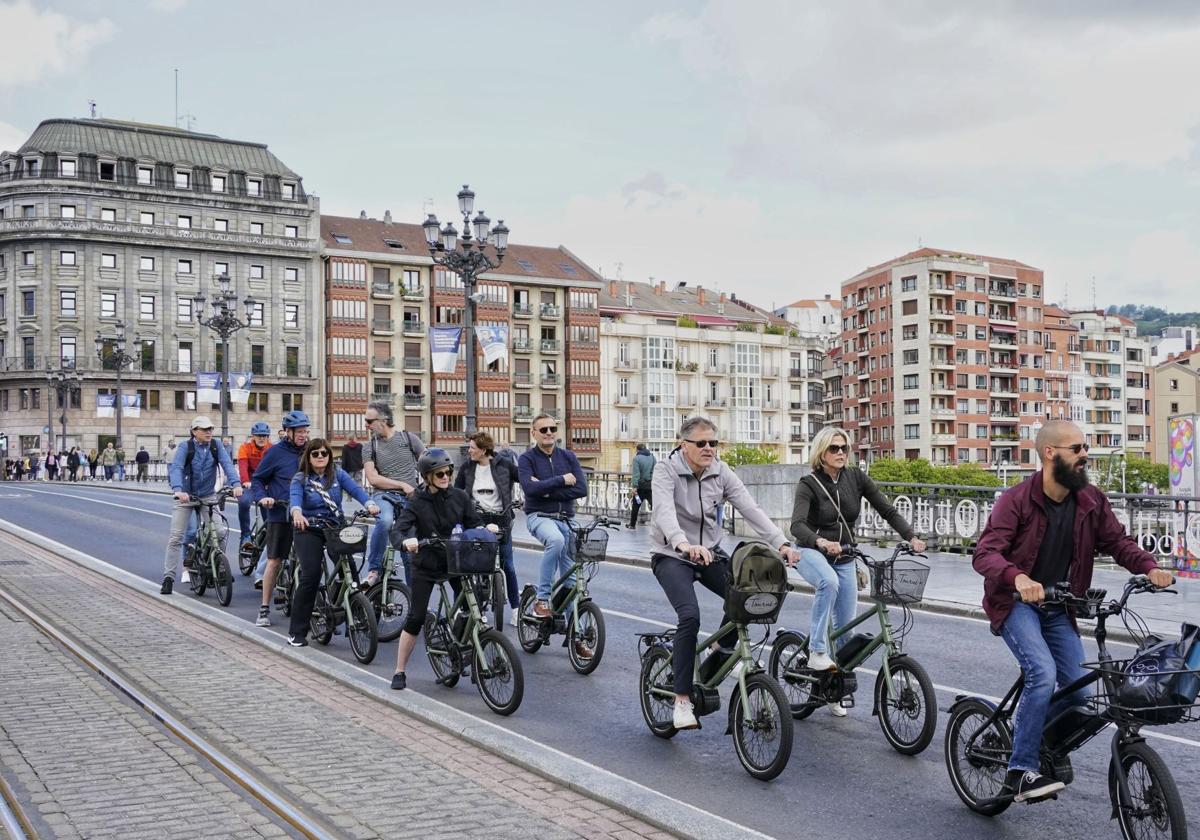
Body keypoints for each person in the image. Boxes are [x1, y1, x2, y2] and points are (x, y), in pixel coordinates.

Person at [973, 419, 1174, 804]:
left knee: (1080, 694)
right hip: (1014, 604)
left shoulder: (1090, 499)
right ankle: (1019, 771)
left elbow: (1117, 541)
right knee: (1042, 674)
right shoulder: (1015, 501)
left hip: (1060, 607)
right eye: (1078, 448)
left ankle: (1036, 738)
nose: (1086, 455)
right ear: (1051, 453)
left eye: (1086, 448)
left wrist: (1149, 567)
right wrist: (1017, 579)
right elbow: (985, 553)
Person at [651, 416, 802, 730]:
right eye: (701, 443)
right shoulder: (665, 470)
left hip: (710, 553)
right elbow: (664, 512)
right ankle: (681, 700)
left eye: (713, 443)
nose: (709, 449)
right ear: (683, 444)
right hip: (672, 555)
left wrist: (782, 543)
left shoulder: (720, 472)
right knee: (690, 616)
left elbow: (750, 508)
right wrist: (682, 545)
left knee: (750, 597)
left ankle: (721, 651)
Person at [789, 427, 926, 696]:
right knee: (827, 583)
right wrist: (821, 542)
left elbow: (886, 509)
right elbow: (797, 525)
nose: (840, 453)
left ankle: (833, 688)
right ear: (822, 452)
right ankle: (817, 650)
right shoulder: (809, 484)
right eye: (834, 448)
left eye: (844, 448)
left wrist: (911, 536)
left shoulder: (856, 478)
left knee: (845, 628)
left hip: (845, 556)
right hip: (811, 550)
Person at [389, 448, 498, 689]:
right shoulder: (416, 501)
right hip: (426, 564)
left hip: (456, 562)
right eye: (439, 474)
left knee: (474, 605)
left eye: (448, 471)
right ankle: (399, 671)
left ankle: (456, 643)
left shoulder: (459, 497)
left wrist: (485, 528)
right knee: (416, 616)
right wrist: (405, 542)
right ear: (428, 477)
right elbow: (397, 530)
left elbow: (474, 523)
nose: (445, 477)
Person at [286, 438, 379, 647]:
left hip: (334, 526)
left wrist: (370, 503)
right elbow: (295, 499)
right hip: (308, 528)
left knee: (351, 571)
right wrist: (297, 513)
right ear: (308, 457)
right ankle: (297, 632)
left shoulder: (337, 475)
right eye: (315, 454)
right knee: (311, 575)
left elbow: (356, 490)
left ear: (329, 456)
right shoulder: (301, 479)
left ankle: (355, 616)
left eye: (324, 453)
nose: (320, 457)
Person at [518, 413, 587, 619]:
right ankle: (542, 599)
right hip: (539, 516)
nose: (549, 433)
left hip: (566, 518)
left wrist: (545, 488)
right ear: (534, 433)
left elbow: (582, 489)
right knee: (555, 540)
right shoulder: (526, 459)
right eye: (543, 430)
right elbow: (529, 489)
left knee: (573, 581)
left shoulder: (569, 457)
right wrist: (561, 480)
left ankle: (576, 636)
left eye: (552, 429)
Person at [161, 416, 241, 594]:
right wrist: (178, 489)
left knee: (219, 531)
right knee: (177, 537)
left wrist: (236, 484)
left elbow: (227, 464)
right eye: (204, 429)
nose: (209, 432)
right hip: (186, 496)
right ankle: (168, 577)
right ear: (194, 431)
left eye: (211, 429)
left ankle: (218, 567)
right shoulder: (185, 447)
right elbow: (177, 468)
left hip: (208, 495)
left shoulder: (216, 445)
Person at [250, 411, 309, 626]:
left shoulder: (311, 452)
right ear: (288, 432)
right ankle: (264, 609)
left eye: (305, 431)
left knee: (311, 561)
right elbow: (258, 480)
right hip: (280, 512)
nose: (303, 435)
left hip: (305, 514)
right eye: (300, 431)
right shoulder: (275, 453)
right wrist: (263, 497)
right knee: (274, 560)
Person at [455, 431, 521, 626]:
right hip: (478, 520)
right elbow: (457, 493)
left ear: (483, 451)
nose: (469, 451)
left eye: (472, 448)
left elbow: (524, 478)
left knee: (507, 564)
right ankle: (478, 608)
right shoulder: (467, 468)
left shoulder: (504, 465)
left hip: (501, 519)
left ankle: (516, 610)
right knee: (479, 565)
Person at [363, 401, 424, 588]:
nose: (366, 425)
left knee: (410, 549)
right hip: (385, 496)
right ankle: (374, 570)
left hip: (411, 499)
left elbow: (428, 462)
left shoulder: (409, 439)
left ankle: (416, 606)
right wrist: (402, 485)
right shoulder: (369, 446)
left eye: (369, 420)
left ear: (384, 420)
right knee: (385, 521)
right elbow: (373, 478)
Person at [236, 423, 272, 547]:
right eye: (259, 436)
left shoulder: (272, 449)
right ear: (253, 436)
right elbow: (243, 466)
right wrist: (245, 481)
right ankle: (245, 535)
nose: (262, 438)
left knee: (269, 507)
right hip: (250, 484)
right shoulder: (245, 447)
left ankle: (269, 533)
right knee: (244, 502)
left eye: (264, 436)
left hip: (266, 485)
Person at [628, 443, 656, 529]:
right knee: (655, 506)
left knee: (636, 505)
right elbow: (655, 470)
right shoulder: (652, 457)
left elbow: (636, 474)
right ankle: (659, 525)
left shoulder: (636, 459)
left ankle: (632, 525)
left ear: (638, 450)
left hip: (640, 487)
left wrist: (634, 487)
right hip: (650, 485)